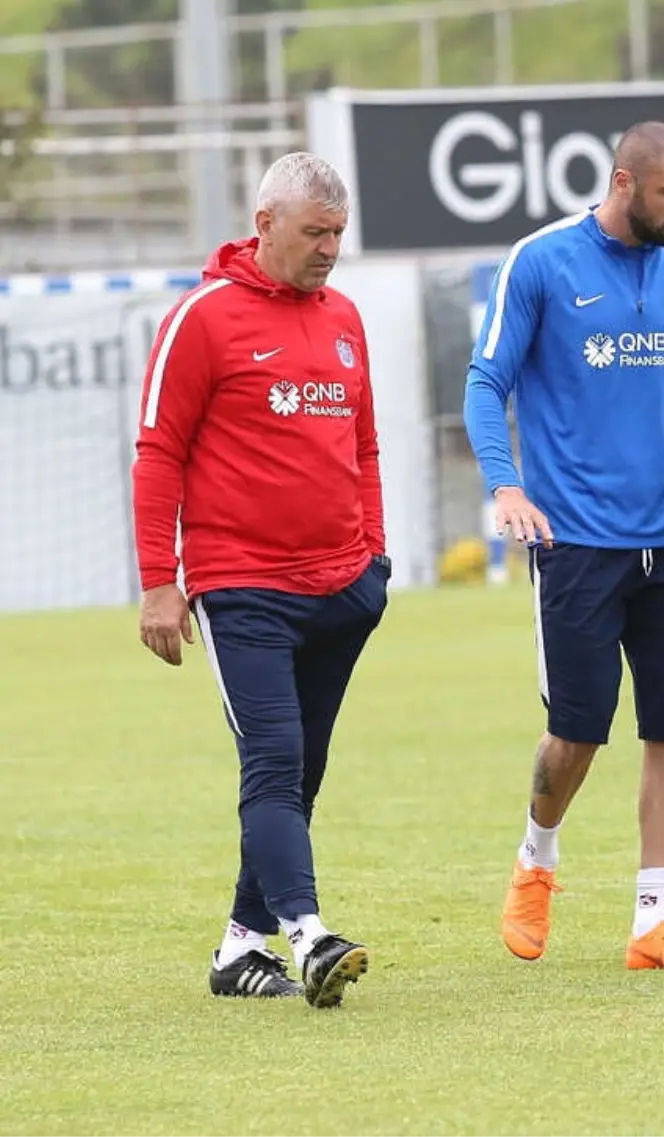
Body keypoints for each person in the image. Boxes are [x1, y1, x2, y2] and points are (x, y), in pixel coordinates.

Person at [463, 121, 664, 972]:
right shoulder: (541, 261)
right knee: (577, 731)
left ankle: (655, 922)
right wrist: (506, 483)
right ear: (624, 182)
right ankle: (536, 859)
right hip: (577, 540)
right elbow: (486, 380)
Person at [132, 152, 390, 1008]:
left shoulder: (346, 317)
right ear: (266, 222)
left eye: (338, 235)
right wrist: (158, 580)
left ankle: (240, 948)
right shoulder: (202, 319)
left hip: (342, 586)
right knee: (275, 762)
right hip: (242, 586)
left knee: (301, 769)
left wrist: (374, 559)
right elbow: (158, 451)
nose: (328, 250)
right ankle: (309, 936)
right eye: (315, 233)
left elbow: (364, 448)